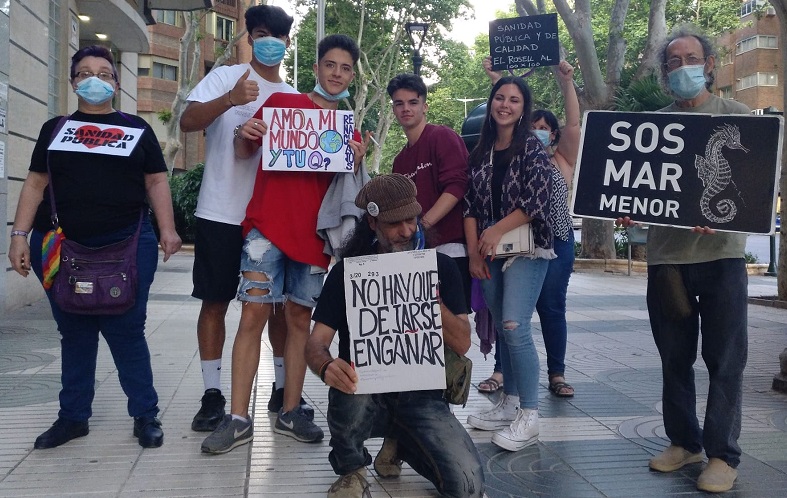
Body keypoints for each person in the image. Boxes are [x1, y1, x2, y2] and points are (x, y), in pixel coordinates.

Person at [200, 34, 368, 454]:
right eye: (330, 65)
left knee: (298, 322)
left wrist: (356, 161)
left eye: (346, 68)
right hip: (266, 230)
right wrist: (244, 130)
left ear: (352, 76)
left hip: (313, 239)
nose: (337, 73)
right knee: (253, 315)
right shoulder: (280, 107)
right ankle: (237, 417)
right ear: (316, 68)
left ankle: (290, 411)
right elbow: (242, 150)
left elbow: (345, 191)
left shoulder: (349, 129)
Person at [7, 45, 182, 449]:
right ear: (72, 83)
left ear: (117, 84)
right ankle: (73, 418)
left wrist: (169, 230)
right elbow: (35, 183)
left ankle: (145, 414)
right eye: (85, 73)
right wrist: (18, 236)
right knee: (75, 333)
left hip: (129, 243)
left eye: (104, 73)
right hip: (61, 249)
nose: (95, 80)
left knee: (126, 331)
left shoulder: (137, 129)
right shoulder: (55, 130)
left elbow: (156, 181)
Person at [619, 25, 750, 494]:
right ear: (664, 72)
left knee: (725, 358)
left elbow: (753, 190)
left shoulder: (738, 117)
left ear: (710, 64)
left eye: (690, 59)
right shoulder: (651, 128)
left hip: (723, 258)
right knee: (674, 356)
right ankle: (684, 442)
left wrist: (727, 215)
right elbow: (632, 189)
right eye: (673, 63)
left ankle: (722, 454)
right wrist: (626, 207)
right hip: (668, 260)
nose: (682, 69)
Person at [305, 174, 485, 498]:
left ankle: (401, 442)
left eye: (411, 220)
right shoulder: (347, 273)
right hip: (365, 392)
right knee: (349, 390)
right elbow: (316, 344)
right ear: (372, 222)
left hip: (423, 398)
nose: (407, 230)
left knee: (468, 486)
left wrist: (427, 297)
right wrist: (326, 367)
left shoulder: (441, 267)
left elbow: (463, 342)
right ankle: (352, 469)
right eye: (394, 224)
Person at [179, 4, 308, 433]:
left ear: (287, 43)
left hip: (269, 220)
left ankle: (282, 387)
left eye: (277, 35)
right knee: (214, 302)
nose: (268, 41)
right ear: (250, 37)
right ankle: (213, 393)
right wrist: (230, 100)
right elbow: (187, 121)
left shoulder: (293, 97)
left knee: (273, 306)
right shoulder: (223, 78)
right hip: (221, 212)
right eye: (260, 33)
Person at [479, 58, 581, 398]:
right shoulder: (506, 151)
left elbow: (574, 126)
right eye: (533, 123)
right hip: (509, 242)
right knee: (509, 314)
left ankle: (556, 373)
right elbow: (502, 111)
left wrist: (567, 83)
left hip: (554, 241)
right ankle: (501, 373)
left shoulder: (558, 159)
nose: (537, 129)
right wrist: (499, 81)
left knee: (549, 307)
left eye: (544, 126)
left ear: (552, 134)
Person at [463, 76, 554, 452]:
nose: (505, 105)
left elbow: (536, 202)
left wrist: (495, 231)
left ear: (523, 107)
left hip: (527, 250)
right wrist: (474, 251)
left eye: (514, 100)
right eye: (499, 97)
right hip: (487, 252)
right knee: (502, 328)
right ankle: (510, 405)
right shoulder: (480, 150)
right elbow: (469, 205)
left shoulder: (532, 147)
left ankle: (530, 416)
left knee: (515, 325)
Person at [387, 73, 470, 306]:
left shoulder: (442, 136)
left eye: (413, 102)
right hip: (415, 254)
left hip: (451, 250)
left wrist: (422, 225)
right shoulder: (399, 161)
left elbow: (457, 185)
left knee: (453, 329)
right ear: (393, 109)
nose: (406, 109)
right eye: (399, 103)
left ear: (425, 106)